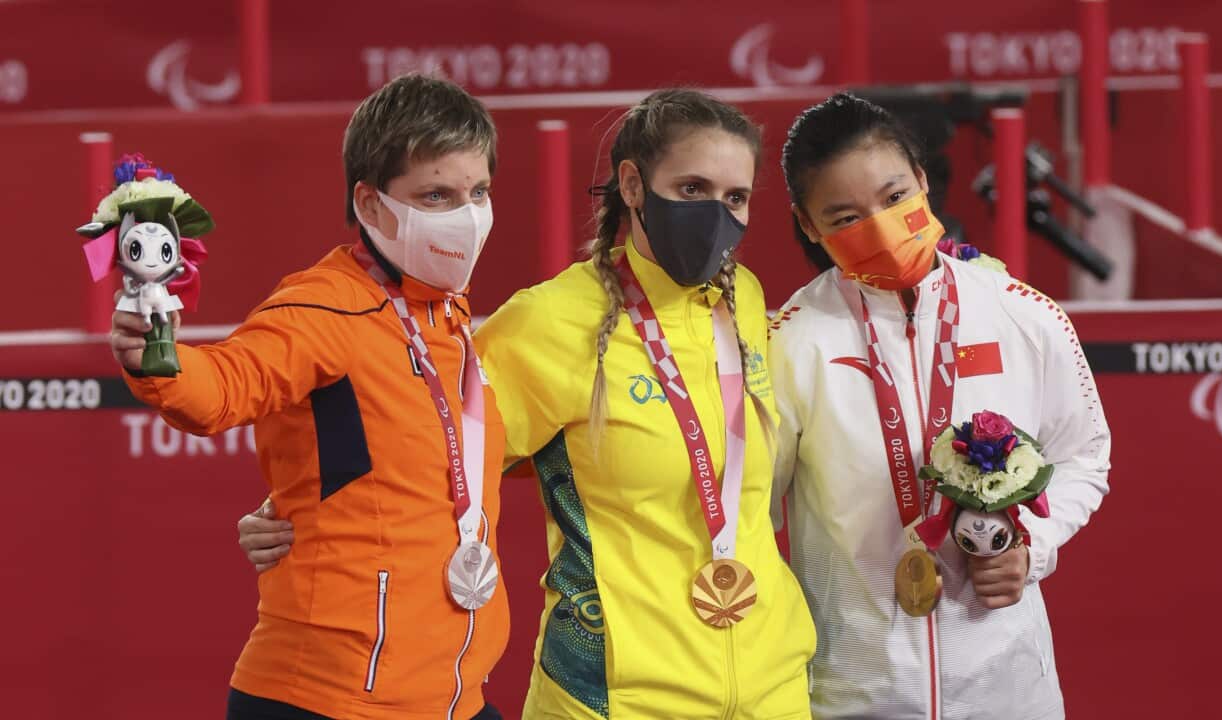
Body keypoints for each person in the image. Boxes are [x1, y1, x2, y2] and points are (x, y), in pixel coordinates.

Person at [241, 89, 817, 719]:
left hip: (772, 686)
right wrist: (305, 505)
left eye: (734, 198)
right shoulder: (548, 322)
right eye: (691, 189)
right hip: (614, 695)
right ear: (632, 185)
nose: (715, 214)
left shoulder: (747, 303)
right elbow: (430, 445)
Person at [112, 74, 508, 720]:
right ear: (371, 203)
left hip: (452, 699)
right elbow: (220, 388)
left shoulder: (456, 323)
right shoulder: (322, 306)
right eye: (436, 195)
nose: (466, 216)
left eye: (478, 191)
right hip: (324, 699)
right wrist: (154, 358)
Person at [769, 91, 1111, 719]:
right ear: (808, 225)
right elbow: (751, 509)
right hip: (852, 693)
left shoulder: (1022, 312)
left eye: (894, 197)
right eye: (844, 217)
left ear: (923, 182)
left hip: (1008, 690)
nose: (877, 227)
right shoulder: (790, 341)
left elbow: (1084, 455)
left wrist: (1030, 546)